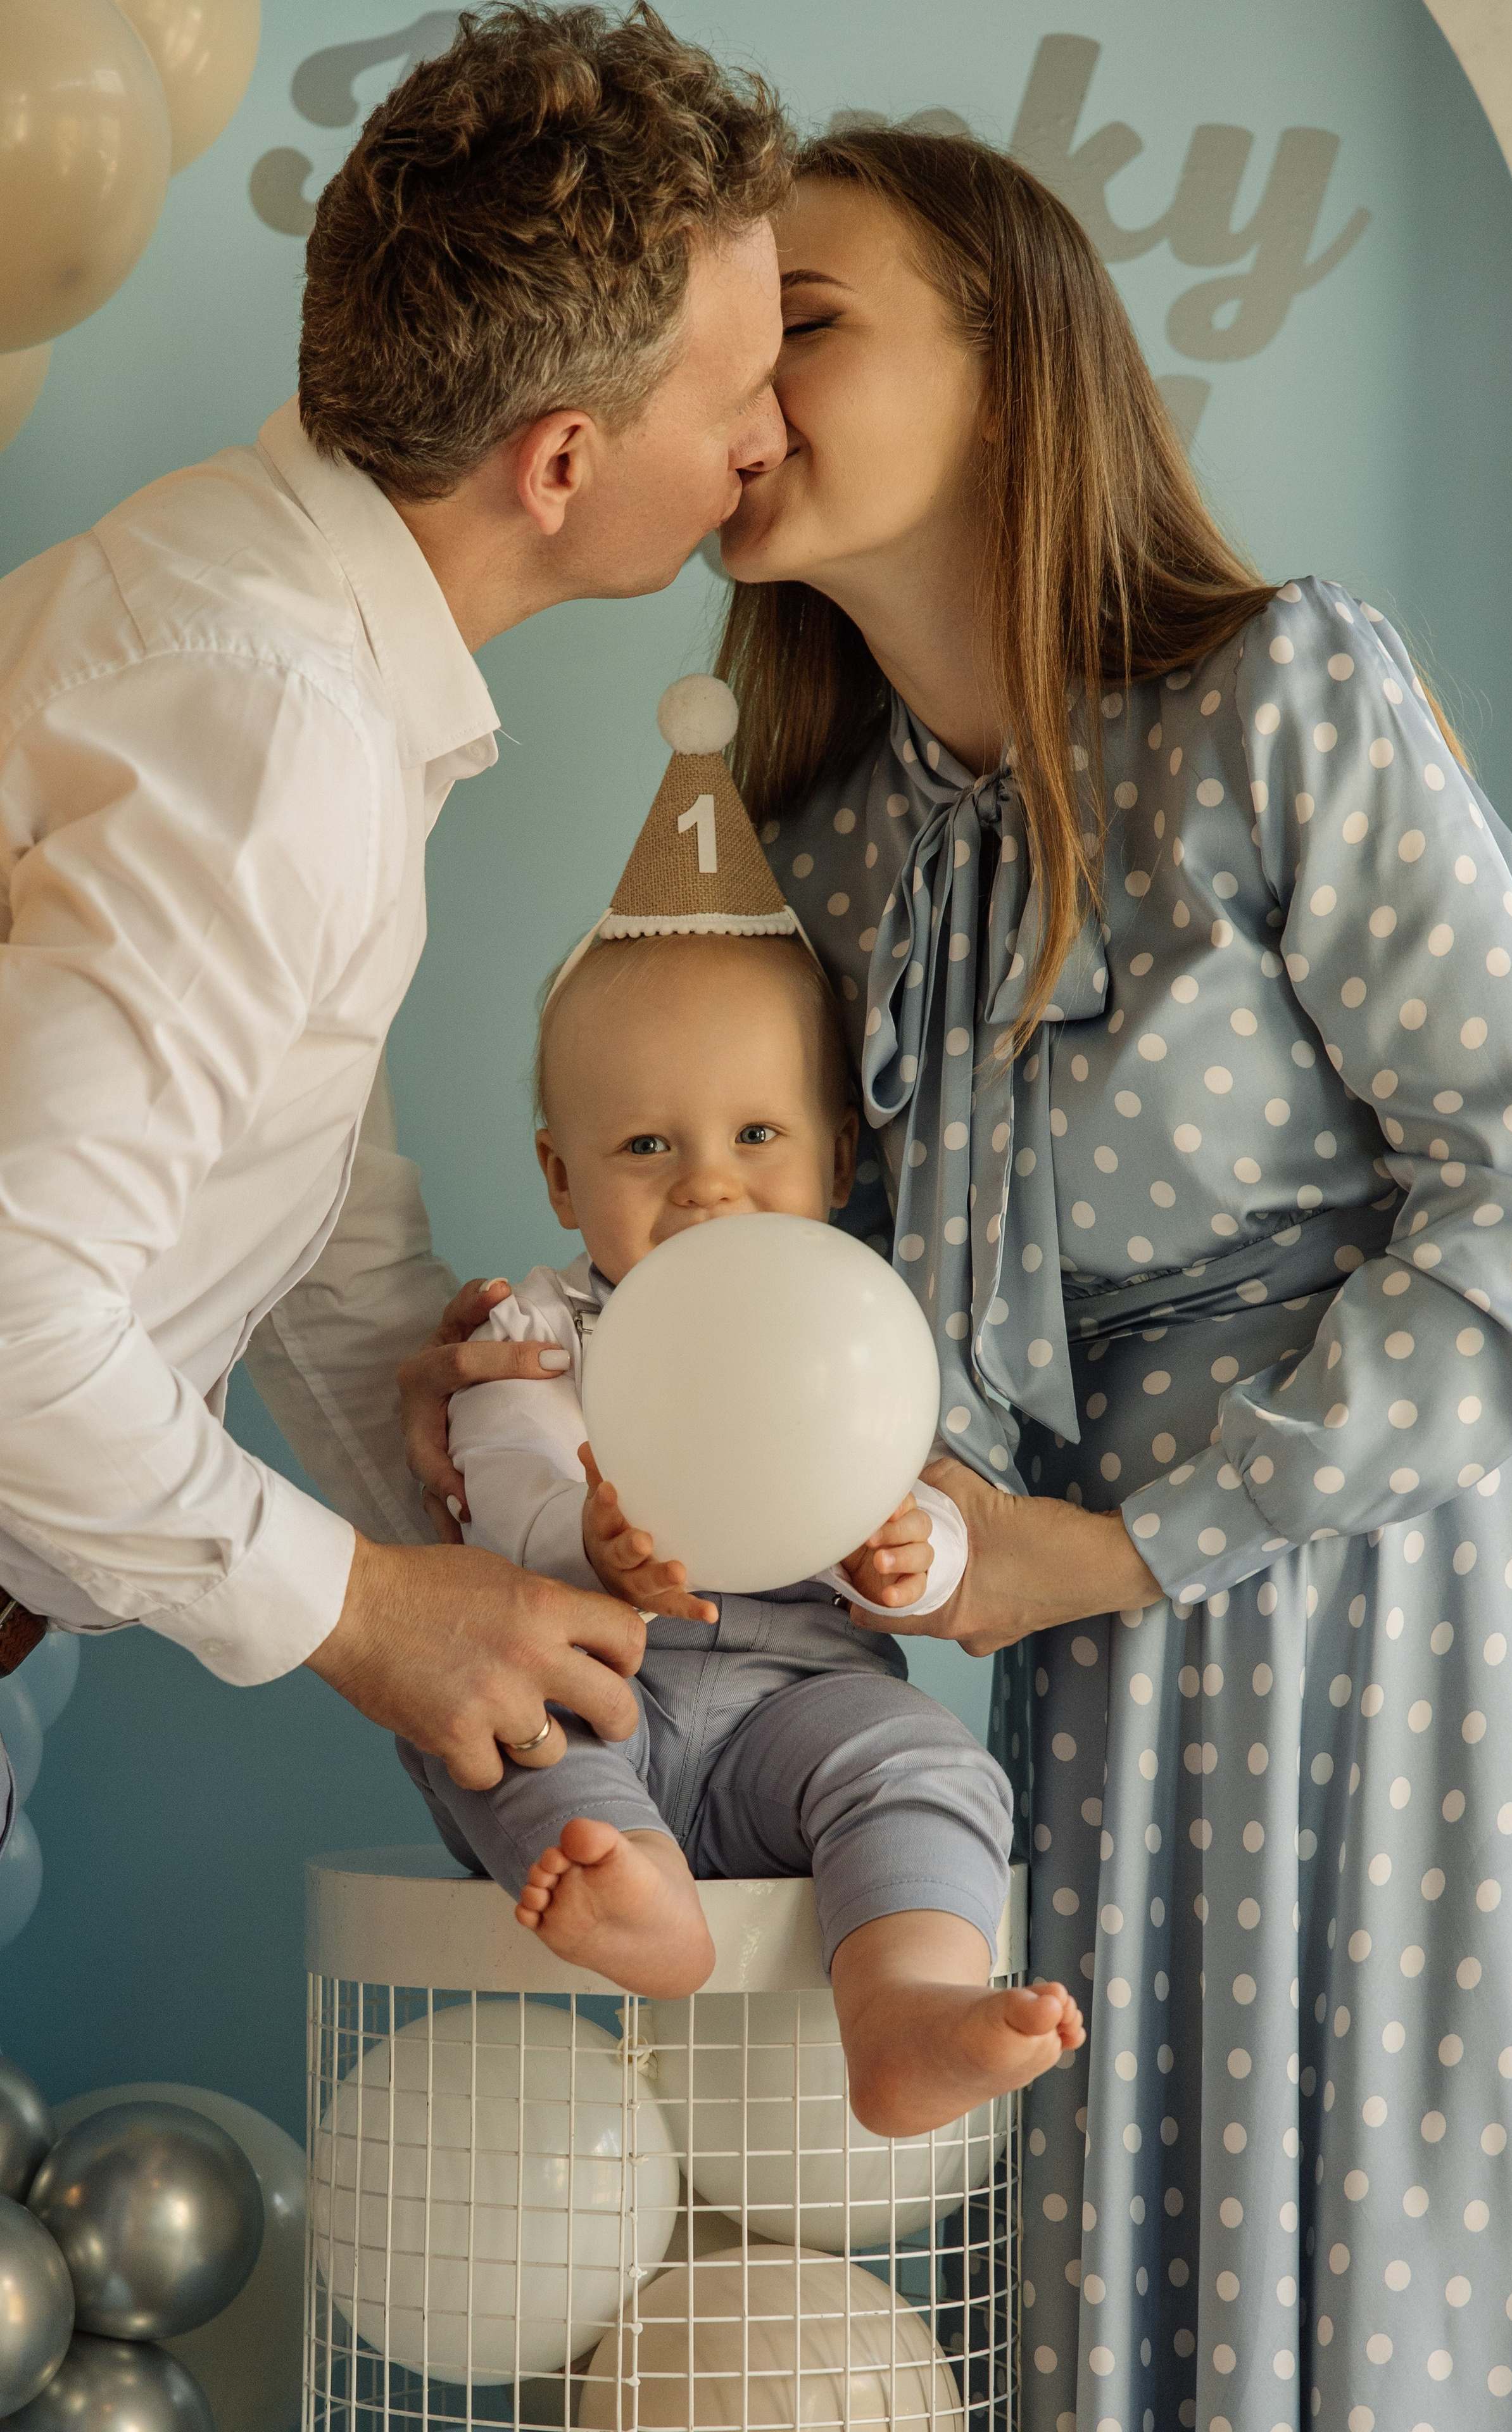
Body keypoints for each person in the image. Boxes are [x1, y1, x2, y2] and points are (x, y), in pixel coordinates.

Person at [710, 128, 1512, 2429]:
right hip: (1091, 1640)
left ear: (1015, 372)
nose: (741, 374)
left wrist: (1127, 1541)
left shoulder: (1279, 694)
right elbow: (853, 1315)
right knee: (1126, 2256)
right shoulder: (841, 845)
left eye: (804, 317)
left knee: (1395, 2264)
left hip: (1406, 1591)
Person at [0, 4, 791, 1808]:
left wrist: (508, 1518)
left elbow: (309, 1219)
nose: (769, 435)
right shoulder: (271, 723)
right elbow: (13, 1312)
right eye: (737, 386)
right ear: (565, 463)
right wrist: (360, 1609)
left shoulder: (283, 635)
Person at [400, 676, 1081, 2134]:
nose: (705, 1183)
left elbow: (929, 1491)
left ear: (836, 1155)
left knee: (924, 1763)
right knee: (485, 1716)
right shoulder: (541, 1331)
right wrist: (589, 1544)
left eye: (754, 1135)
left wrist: (920, 1559)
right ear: (561, 1179)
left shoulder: (855, 1329)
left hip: (800, 1700)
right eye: (645, 1144)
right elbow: (500, 1474)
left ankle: (902, 2010)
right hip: (609, 1682)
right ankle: (630, 1883)